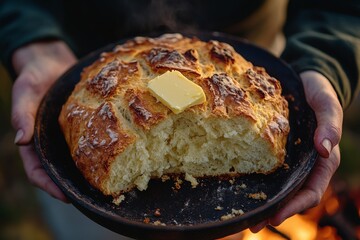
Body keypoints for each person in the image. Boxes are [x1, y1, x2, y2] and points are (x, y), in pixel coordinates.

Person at [0, 0, 359, 237]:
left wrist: (323, 60)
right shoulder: (89, 118)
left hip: (243, 82)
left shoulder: (257, 117)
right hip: (80, 80)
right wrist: (32, 39)